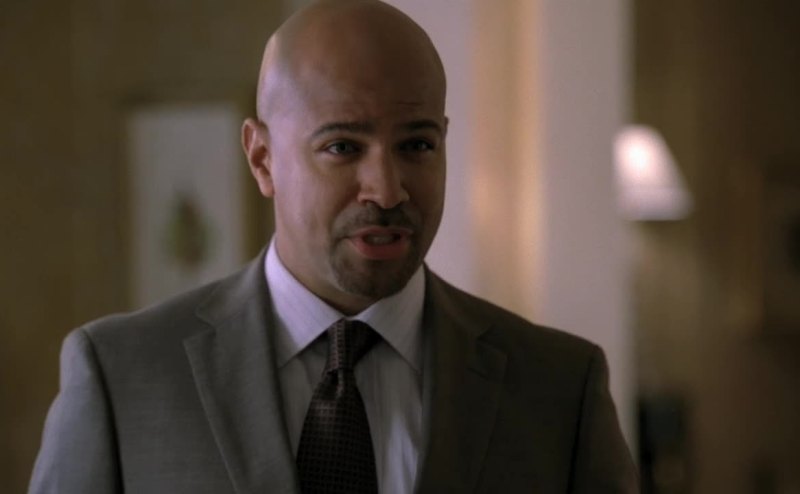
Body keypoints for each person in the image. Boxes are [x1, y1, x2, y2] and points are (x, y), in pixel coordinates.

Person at [29, 0, 638, 492]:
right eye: (343, 147)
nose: (387, 188)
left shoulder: (559, 389)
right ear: (262, 158)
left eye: (417, 145)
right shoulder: (122, 377)